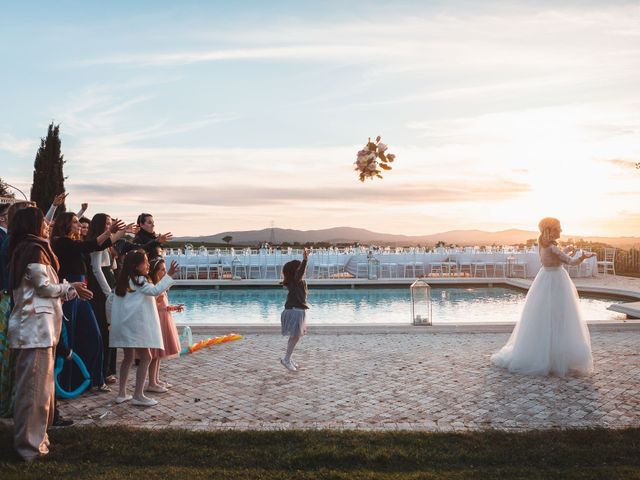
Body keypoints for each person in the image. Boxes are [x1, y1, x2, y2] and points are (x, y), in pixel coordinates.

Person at [6, 207, 78, 461]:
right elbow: (43, 287)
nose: (48, 225)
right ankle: (29, 447)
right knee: (33, 390)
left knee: (40, 389)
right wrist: (67, 287)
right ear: (32, 225)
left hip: (40, 330)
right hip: (35, 329)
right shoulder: (33, 249)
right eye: (43, 223)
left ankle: (39, 438)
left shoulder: (30, 247)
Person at [491, 217, 595, 377]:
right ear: (551, 230)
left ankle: (542, 353)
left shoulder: (542, 244)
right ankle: (554, 357)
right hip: (556, 282)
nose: (561, 230)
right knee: (559, 317)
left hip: (545, 279)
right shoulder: (552, 247)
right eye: (559, 228)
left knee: (543, 317)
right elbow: (571, 262)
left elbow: (555, 256)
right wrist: (583, 256)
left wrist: (565, 249)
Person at [51, 212, 126, 392]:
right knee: (72, 338)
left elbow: (95, 246)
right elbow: (91, 244)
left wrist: (114, 233)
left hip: (81, 292)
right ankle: (69, 382)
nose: (79, 225)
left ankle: (94, 378)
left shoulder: (73, 243)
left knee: (95, 336)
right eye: (75, 222)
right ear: (65, 224)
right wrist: (110, 232)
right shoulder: (61, 242)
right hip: (69, 292)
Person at [110, 250, 178, 406]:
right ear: (136, 265)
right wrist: (170, 275)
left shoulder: (123, 281)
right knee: (146, 356)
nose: (148, 265)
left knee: (128, 358)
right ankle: (138, 395)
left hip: (124, 326)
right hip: (136, 327)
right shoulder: (140, 280)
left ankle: (122, 393)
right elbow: (155, 291)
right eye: (145, 262)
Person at [0, 201, 36, 418]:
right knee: (8, 353)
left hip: (14, 298)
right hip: (8, 298)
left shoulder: (15, 240)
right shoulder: (11, 242)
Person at [86, 214, 127, 385]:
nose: (110, 226)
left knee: (112, 330)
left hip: (110, 287)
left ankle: (110, 369)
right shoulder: (97, 243)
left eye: (111, 223)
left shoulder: (106, 244)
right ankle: (103, 371)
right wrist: (107, 292)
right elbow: (97, 270)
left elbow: (112, 266)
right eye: (108, 223)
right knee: (105, 330)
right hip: (101, 291)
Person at [147, 257, 183, 392]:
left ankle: (156, 380)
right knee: (154, 355)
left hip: (164, 319)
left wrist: (173, 307)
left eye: (165, 269)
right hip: (158, 322)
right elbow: (153, 306)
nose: (165, 272)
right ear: (155, 272)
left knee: (159, 355)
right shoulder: (154, 288)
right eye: (162, 270)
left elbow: (164, 306)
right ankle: (151, 383)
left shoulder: (160, 288)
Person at [279, 248, 310, 372]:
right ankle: (286, 359)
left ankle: (288, 358)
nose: (302, 271)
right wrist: (305, 260)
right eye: (299, 268)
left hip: (296, 311)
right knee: (295, 337)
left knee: (294, 337)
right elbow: (300, 272)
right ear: (295, 272)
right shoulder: (296, 281)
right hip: (294, 311)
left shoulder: (296, 282)